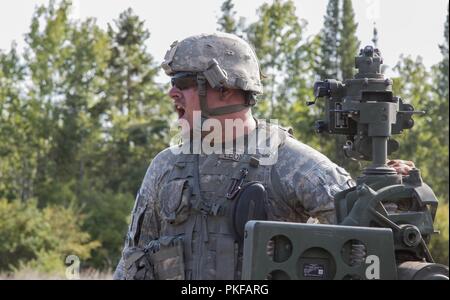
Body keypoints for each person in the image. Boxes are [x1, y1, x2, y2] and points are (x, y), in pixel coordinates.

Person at [113, 32, 414, 280]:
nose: (172, 93)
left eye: (182, 83)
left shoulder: (291, 163)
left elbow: (367, 249)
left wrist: (385, 190)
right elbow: (134, 260)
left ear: (226, 88)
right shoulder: (166, 165)